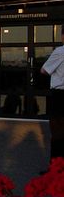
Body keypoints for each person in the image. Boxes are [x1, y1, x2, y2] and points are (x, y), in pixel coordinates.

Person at [42, 27, 64, 160]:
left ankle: (55, 168)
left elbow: (44, 70)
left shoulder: (60, 51)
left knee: (58, 133)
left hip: (60, 95)